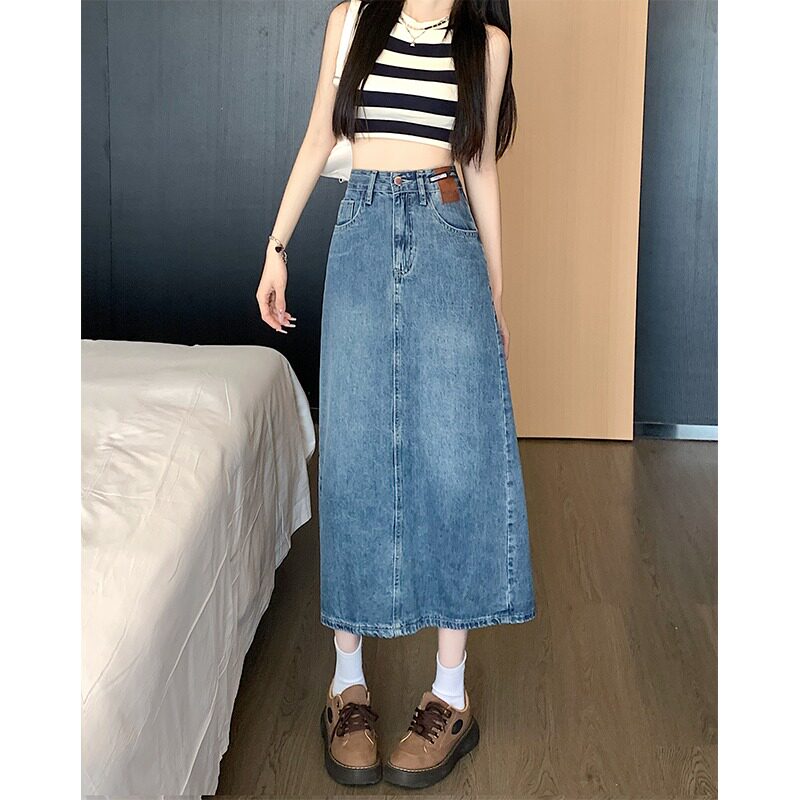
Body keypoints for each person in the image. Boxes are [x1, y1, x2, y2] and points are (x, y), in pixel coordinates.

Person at [255, 0, 535, 788]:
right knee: (354, 458)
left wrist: (496, 292)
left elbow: (479, 166)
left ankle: (450, 694)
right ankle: (347, 687)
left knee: (455, 459)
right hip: (363, 231)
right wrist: (276, 249)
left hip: (448, 237)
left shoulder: (487, 44)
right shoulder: (353, 20)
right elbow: (320, 136)